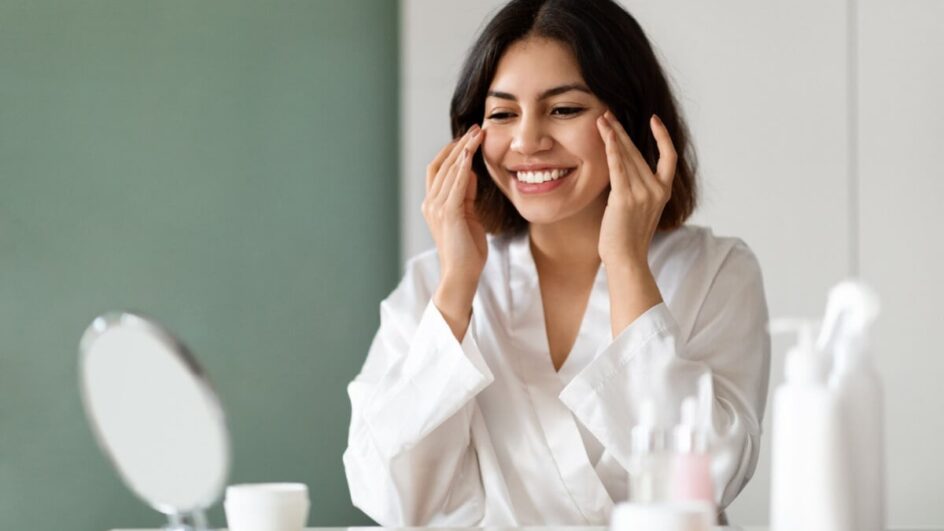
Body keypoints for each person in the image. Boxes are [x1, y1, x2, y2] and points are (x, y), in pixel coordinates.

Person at [343, 0, 770, 525]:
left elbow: (712, 478)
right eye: (502, 114)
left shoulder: (716, 271)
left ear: (632, 118)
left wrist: (627, 265)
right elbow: (390, 498)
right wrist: (457, 288)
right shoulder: (434, 282)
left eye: (564, 109)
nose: (527, 142)